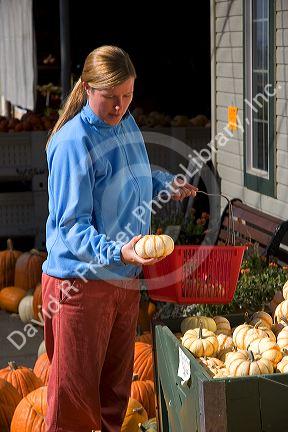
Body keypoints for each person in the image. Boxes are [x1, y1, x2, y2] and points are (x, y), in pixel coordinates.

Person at [42, 45, 197, 432]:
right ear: (88, 88)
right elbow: (71, 226)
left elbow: (133, 176)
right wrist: (117, 251)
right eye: (111, 98)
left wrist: (165, 183)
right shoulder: (72, 144)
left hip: (123, 279)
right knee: (73, 408)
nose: (120, 106)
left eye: (128, 96)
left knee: (116, 399)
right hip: (80, 285)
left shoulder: (124, 123)